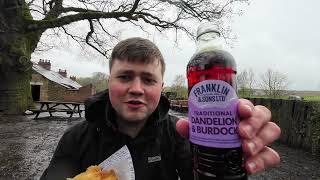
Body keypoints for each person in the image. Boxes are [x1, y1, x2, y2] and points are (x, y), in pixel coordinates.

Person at [40, 37, 281, 180]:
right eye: (124, 77)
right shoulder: (74, 139)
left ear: (162, 87)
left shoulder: (183, 134)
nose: (136, 88)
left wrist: (228, 161)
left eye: (148, 80)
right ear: (109, 81)